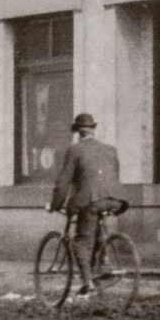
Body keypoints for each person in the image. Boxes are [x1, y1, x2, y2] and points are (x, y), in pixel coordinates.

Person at [49, 112, 121, 299]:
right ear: (93, 129)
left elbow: (64, 181)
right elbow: (114, 174)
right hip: (113, 199)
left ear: (78, 132)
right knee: (95, 234)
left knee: (80, 242)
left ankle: (87, 283)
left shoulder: (75, 150)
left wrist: (55, 204)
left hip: (90, 200)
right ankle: (102, 260)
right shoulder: (110, 149)